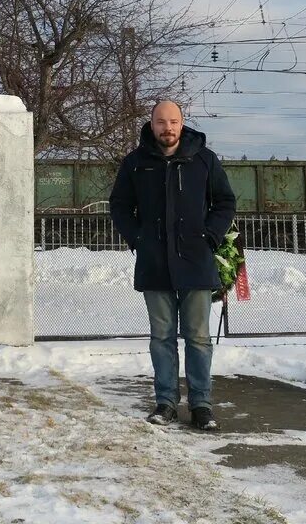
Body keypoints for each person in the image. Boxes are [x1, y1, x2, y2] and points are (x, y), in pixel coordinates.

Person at [109, 100, 236, 431]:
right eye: (161, 122)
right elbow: (120, 205)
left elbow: (225, 202)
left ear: (182, 124)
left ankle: (201, 405)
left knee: (197, 337)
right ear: (151, 125)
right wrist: (138, 238)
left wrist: (209, 235)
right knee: (162, 336)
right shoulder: (136, 163)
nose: (168, 128)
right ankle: (165, 402)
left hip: (196, 262)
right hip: (154, 263)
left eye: (174, 121)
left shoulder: (204, 160)